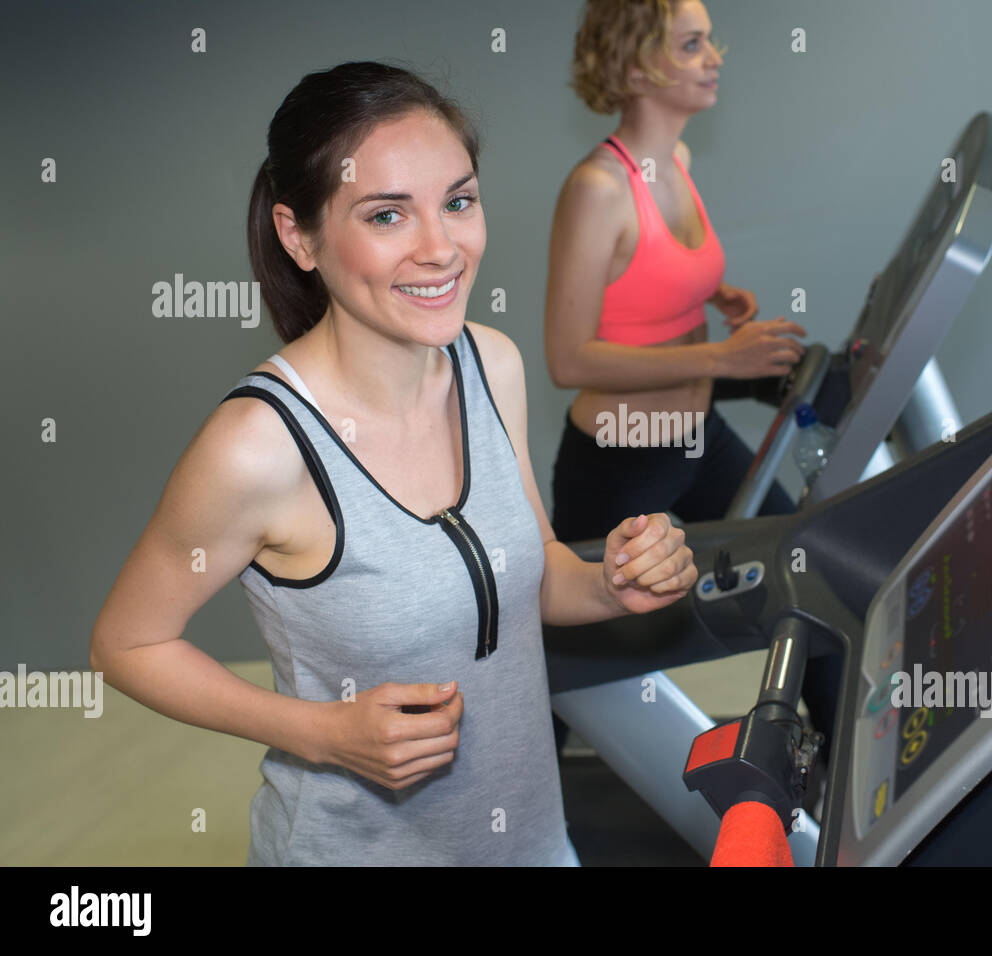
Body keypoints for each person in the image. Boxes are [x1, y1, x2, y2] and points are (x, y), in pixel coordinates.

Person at [89, 61, 698, 866]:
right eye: (387, 216)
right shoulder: (259, 446)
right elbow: (126, 646)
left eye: (458, 200)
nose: (441, 248)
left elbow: (531, 573)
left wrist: (612, 586)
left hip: (530, 842)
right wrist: (325, 733)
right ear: (298, 236)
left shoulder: (492, 364)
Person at [544, 0, 841, 778]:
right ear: (640, 66)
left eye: (710, 39)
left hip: (694, 437)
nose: (715, 55)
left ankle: (857, 786)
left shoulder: (675, 164)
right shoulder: (596, 189)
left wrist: (715, 300)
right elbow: (568, 357)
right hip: (621, 456)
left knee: (810, 583)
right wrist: (724, 361)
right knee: (559, 662)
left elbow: (650, 283)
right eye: (692, 43)